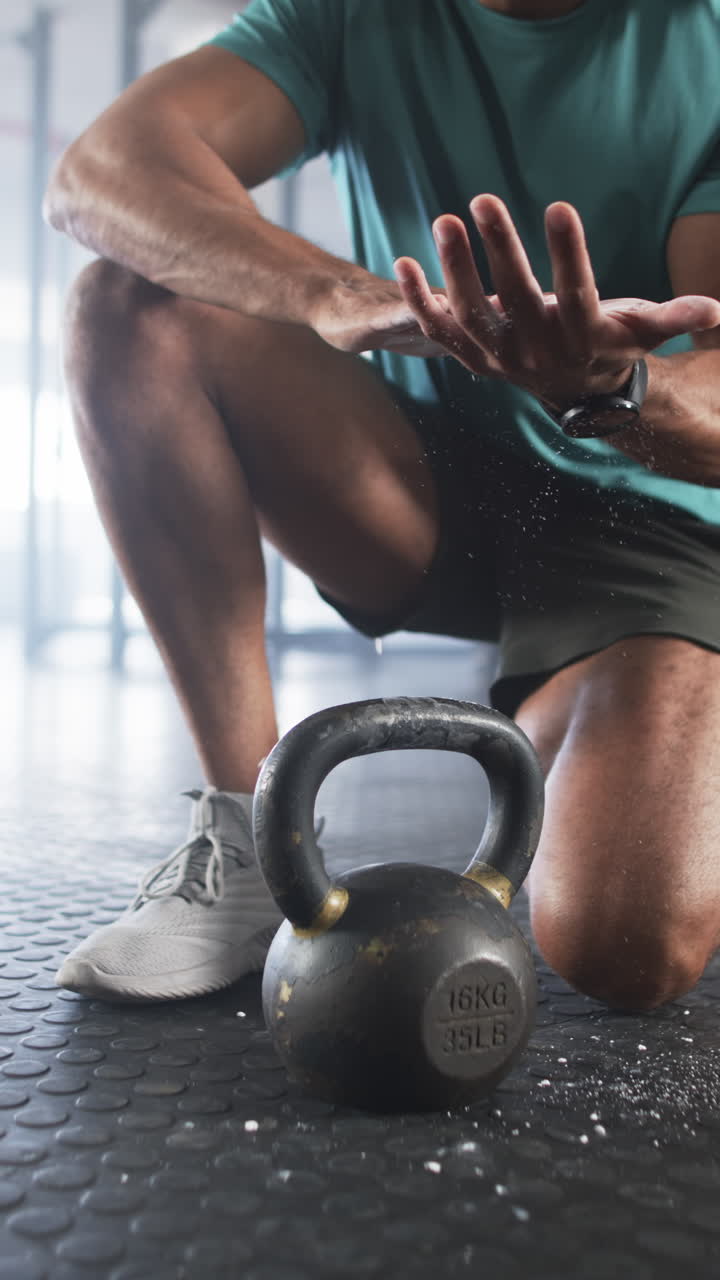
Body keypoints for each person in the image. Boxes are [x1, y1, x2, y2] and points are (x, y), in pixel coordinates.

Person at [45, 0, 720, 1011]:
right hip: (425, 477)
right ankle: (250, 839)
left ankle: (605, 694)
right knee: (127, 305)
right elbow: (99, 172)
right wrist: (331, 292)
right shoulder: (358, 12)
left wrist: (610, 387)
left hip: (648, 510)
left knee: (627, 937)